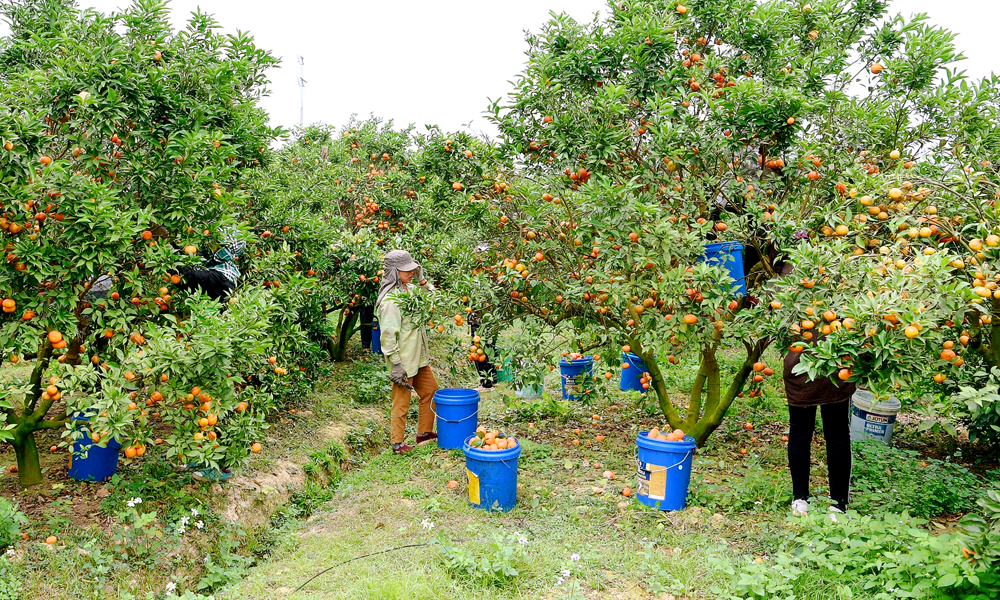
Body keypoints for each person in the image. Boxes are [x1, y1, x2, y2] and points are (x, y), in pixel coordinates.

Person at [783, 340, 856, 516]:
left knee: (801, 431)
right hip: (837, 367)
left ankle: (800, 499)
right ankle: (838, 505)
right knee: (837, 434)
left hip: (802, 364)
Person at [377, 250, 438, 454]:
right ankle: (397, 443)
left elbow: (433, 299)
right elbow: (387, 335)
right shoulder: (391, 301)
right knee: (401, 402)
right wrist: (395, 363)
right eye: (406, 270)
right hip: (403, 361)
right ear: (394, 272)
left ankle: (424, 433)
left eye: (413, 269)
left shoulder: (410, 290)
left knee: (431, 391)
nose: (411, 272)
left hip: (418, 357)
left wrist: (422, 281)